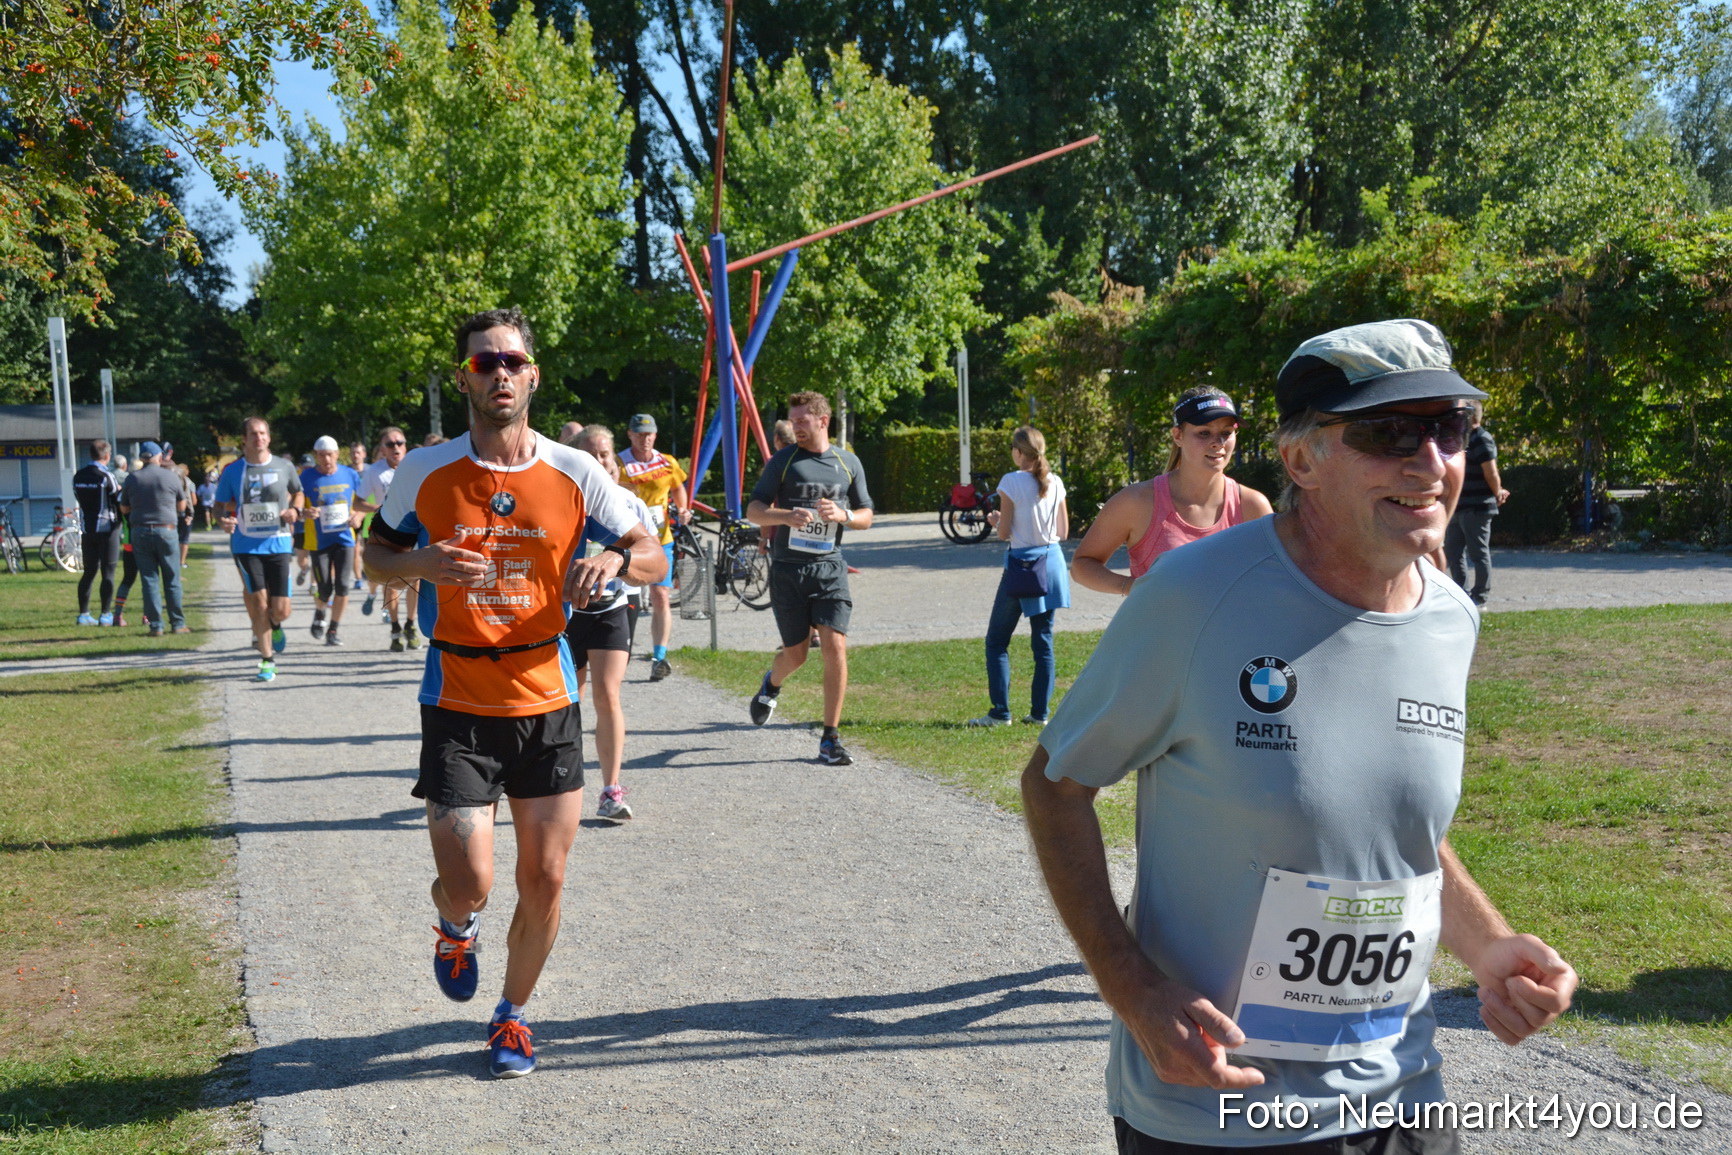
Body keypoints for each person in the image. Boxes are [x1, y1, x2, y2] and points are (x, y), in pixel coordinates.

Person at [1023, 319, 1577, 1154]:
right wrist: (1132, 990)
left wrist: (1489, 942)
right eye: (1389, 432)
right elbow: (1056, 784)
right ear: (1302, 460)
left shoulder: (1449, 617)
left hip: (1403, 1096)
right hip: (1221, 1112)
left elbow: (1396, 828)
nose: (1430, 461)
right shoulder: (1192, 598)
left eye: (1449, 428)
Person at [364, 306, 662, 1079]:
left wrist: (622, 564)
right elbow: (374, 557)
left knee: (547, 876)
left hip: (547, 698)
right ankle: (453, 921)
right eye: (484, 361)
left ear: (532, 374)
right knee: (472, 879)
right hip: (459, 700)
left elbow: (653, 552)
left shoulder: (575, 469)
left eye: (512, 361)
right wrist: (420, 563)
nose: (499, 372)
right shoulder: (423, 470)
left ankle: (513, 1015)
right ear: (466, 375)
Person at [745, 391, 874, 766]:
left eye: (803, 420)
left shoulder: (847, 463)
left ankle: (830, 738)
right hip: (788, 570)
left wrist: (844, 515)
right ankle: (772, 683)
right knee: (797, 655)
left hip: (829, 567)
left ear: (823, 421)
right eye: (794, 420)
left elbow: (867, 514)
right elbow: (754, 509)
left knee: (835, 647)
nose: (796, 427)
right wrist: (783, 517)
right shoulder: (783, 462)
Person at [1072, 388, 1274, 596]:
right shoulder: (1136, 501)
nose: (1218, 443)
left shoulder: (1252, 505)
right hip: (1156, 629)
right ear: (1178, 436)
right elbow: (1082, 565)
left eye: (1226, 433)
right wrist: (1132, 588)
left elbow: (1274, 579)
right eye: (1204, 433)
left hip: (1232, 629)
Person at [565, 425, 657, 823]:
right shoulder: (562, 500)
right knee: (567, 703)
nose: (601, 461)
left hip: (610, 611)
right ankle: (559, 787)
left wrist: (620, 565)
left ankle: (610, 791)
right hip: (565, 617)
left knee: (607, 695)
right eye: (592, 455)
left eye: (606, 454)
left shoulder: (629, 504)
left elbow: (653, 564)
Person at [968, 426, 1070, 727]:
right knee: (1043, 640)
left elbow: (1003, 533)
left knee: (997, 640)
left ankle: (1000, 713)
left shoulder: (1010, 482)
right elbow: (1062, 532)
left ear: (1017, 452)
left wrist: (997, 520)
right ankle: (1040, 714)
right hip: (1051, 564)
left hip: (1024, 568)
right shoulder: (1056, 482)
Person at [215, 417, 304, 682]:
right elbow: (219, 506)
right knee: (258, 601)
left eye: (263, 433)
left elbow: (298, 493)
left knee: (281, 609)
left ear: (269, 437)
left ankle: (275, 624)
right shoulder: (232, 471)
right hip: (245, 545)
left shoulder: (283, 466)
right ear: (244, 439)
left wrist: (294, 510)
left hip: (278, 543)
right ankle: (266, 660)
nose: (259, 438)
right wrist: (223, 519)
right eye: (253, 434)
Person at [617, 413, 690, 681]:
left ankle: (659, 657)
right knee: (626, 597)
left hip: (662, 540)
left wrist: (683, 508)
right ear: (630, 434)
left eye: (648, 434)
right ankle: (614, 651)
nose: (644, 439)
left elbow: (678, 487)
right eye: (638, 434)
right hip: (630, 540)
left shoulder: (666, 461)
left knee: (661, 597)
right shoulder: (619, 463)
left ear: (655, 435)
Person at [355, 427, 422, 651]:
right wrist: (379, 508)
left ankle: (410, 625)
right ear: (382, 449)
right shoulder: (374, 471)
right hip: (388, 532)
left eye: (400, 443)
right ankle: (395, 627)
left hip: (415, 529)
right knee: (392, 581)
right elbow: (357, 503)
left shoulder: (415, 466)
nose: (396, 448)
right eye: (390, 444)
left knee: (416, 580)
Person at [298, 435, 365, 646]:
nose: (326, 459)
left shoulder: (350, 474)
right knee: (324, 587)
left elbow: (362, 503)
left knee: (343, 586)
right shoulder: (306, 477)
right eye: (321, 455)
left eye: (329, 455)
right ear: (316, 456)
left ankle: (333, 629)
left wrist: (358, 517)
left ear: (337, 454)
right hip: (319, 541)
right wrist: (304, 512)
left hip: (345, 539)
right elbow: (297, 506)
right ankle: (319, 613)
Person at [119, 441, 190, 637]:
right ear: (160, 457)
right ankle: (177, 623)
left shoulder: (132, 479)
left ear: (142, 458)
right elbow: (182, 506)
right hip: (166, 530)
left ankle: (156, 625)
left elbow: (124, 508)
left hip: (139, 531)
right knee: (172, 578)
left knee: (149, 579)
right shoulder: (171, 476)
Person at [1443, 402, 1508, 607]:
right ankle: (1460, 595)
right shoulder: (1460, 439)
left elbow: (1491, 472)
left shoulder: (1481, 439)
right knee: (1453, 553)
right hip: (1459, 506)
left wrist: (1497, 491)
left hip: (1477, 506)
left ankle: (1480, 596)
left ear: (1471, 416)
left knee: (1478, 553)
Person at [73, 439, 124, 625]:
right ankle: (105, 614)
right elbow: (117, 497)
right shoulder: (105, 476)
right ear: (107, 456)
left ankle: (83, 614)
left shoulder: (78, 475)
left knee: (89, 572)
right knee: (108, 572)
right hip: (107, 529)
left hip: (87, 528)